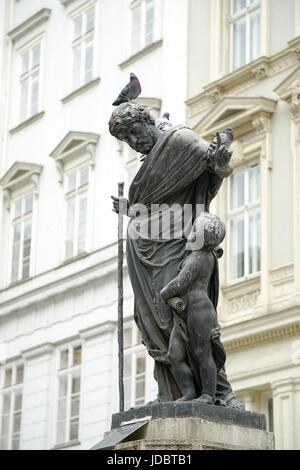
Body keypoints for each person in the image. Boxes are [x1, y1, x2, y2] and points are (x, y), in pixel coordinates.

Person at [109, 102, 243, 408]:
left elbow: (215, 167)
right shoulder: (148, 163)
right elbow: (153, 204)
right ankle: (171, 393)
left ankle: (220, 392)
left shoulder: (180, 141)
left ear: (146, 120)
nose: (133, 141)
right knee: (155, 322)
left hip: (178, 247)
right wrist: (128, 210)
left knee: (185, 321)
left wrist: (222, 161)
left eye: (133, 132)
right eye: (126, 139)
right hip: (145, 256)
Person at [160, 212, 227, 404]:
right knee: (175, 354)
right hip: (186, 313)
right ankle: (189, 393)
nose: (192, 231)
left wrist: (164, 293)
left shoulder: (198, 258)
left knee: (202, 353)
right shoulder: (205, 253)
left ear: (202, 236)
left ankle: (208, 394)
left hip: (199, 312)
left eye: (196, 229)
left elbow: (180, 283)